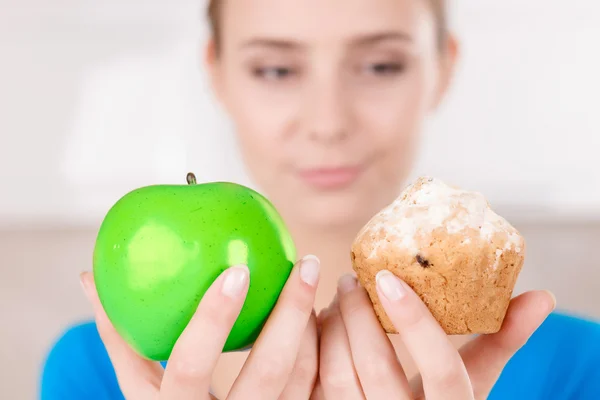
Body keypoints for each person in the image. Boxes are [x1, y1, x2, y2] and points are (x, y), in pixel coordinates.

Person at [40, 0, 600, 399]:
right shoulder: (99, 372)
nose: (328, 122)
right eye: (277, 69)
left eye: (381, 65)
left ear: (443, 67)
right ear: (217, 74)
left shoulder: (581, 368)